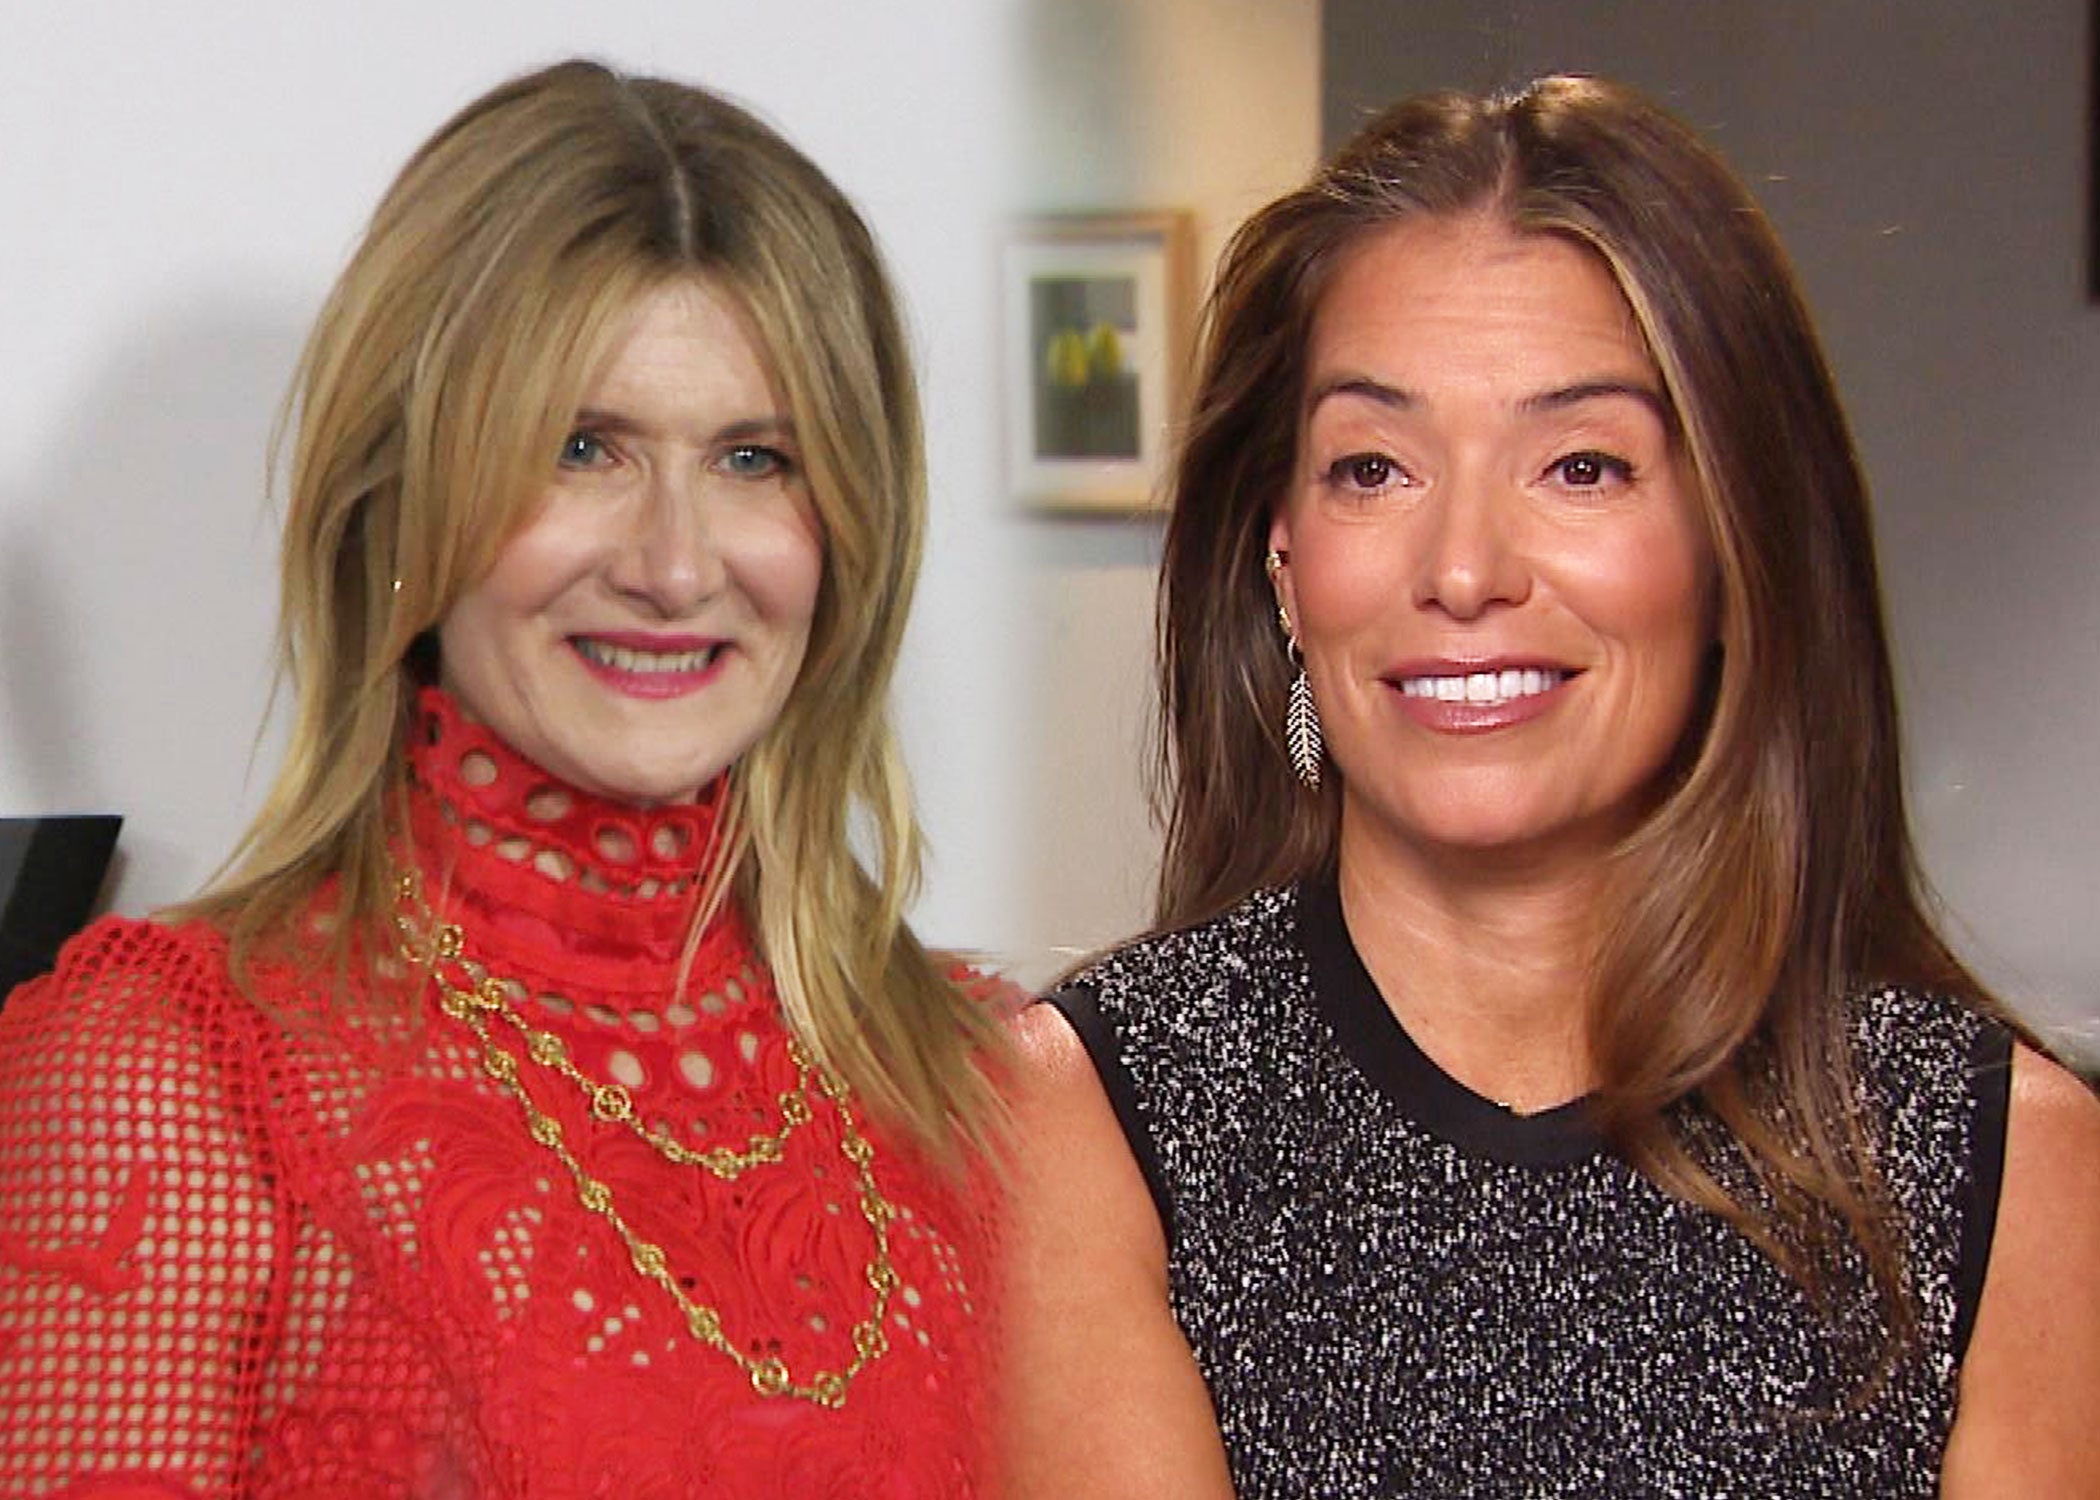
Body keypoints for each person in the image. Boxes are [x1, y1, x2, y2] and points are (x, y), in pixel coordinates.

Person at [1002, 74, 2100, 1497]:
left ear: (1735, 547)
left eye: (1581, 466)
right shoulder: (1087, 1114)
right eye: (1373, 469)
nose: (1464, 571)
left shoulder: (2002, 1162)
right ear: (1284, 560)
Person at [0, 59, 1009, 1496]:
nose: (673, 565)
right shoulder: (172, 1073)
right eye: (581, 448)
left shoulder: (978, 1084)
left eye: (751, 458)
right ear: (403, 499)